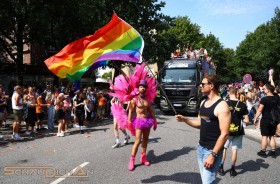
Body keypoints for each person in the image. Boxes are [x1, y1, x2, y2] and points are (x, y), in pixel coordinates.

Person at [175, 75, 231, 184]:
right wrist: (185, 119)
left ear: (211, 86)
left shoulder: (222, 106)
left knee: (207, 182)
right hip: (201, 148)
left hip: (212, 150)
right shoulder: (203, 102)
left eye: (203, 84)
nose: (200, 86)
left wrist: (213, 155)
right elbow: (199, 124)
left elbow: (225, 134)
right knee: (206, 180)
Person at [218, 87, 249, 177]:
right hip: (238, 131)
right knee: (234, 150)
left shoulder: (225, 103)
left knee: (224, 148)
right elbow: (247, 120)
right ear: (237, 93)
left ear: (228, 93)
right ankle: (232, 169)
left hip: (226, 130)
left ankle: (221, 167)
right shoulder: (243, 105)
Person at [128, 80, 157, 171]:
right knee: (137, 141)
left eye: (144, 87)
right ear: (138, 88)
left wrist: (155, 121)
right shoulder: (134, 100)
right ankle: (132, 160)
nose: (142, 88)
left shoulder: (147, 100)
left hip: (147, 121)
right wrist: (129, 122)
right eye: (141, 87)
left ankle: (143, 158)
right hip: (138, 121)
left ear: (146, 89)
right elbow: (130, 111)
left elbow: (151, 111)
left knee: (145, 140)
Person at [254, 84, 278, 158]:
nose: (263, 90)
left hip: (266, 119)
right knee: (271, 136)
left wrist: (255, 118)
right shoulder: (276, 98)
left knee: (264, 136)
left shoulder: (264, 99)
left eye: (264, 89)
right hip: (274, 119)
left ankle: (263, 151)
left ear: (268, 90)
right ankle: (273, 152)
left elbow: (260, 110)